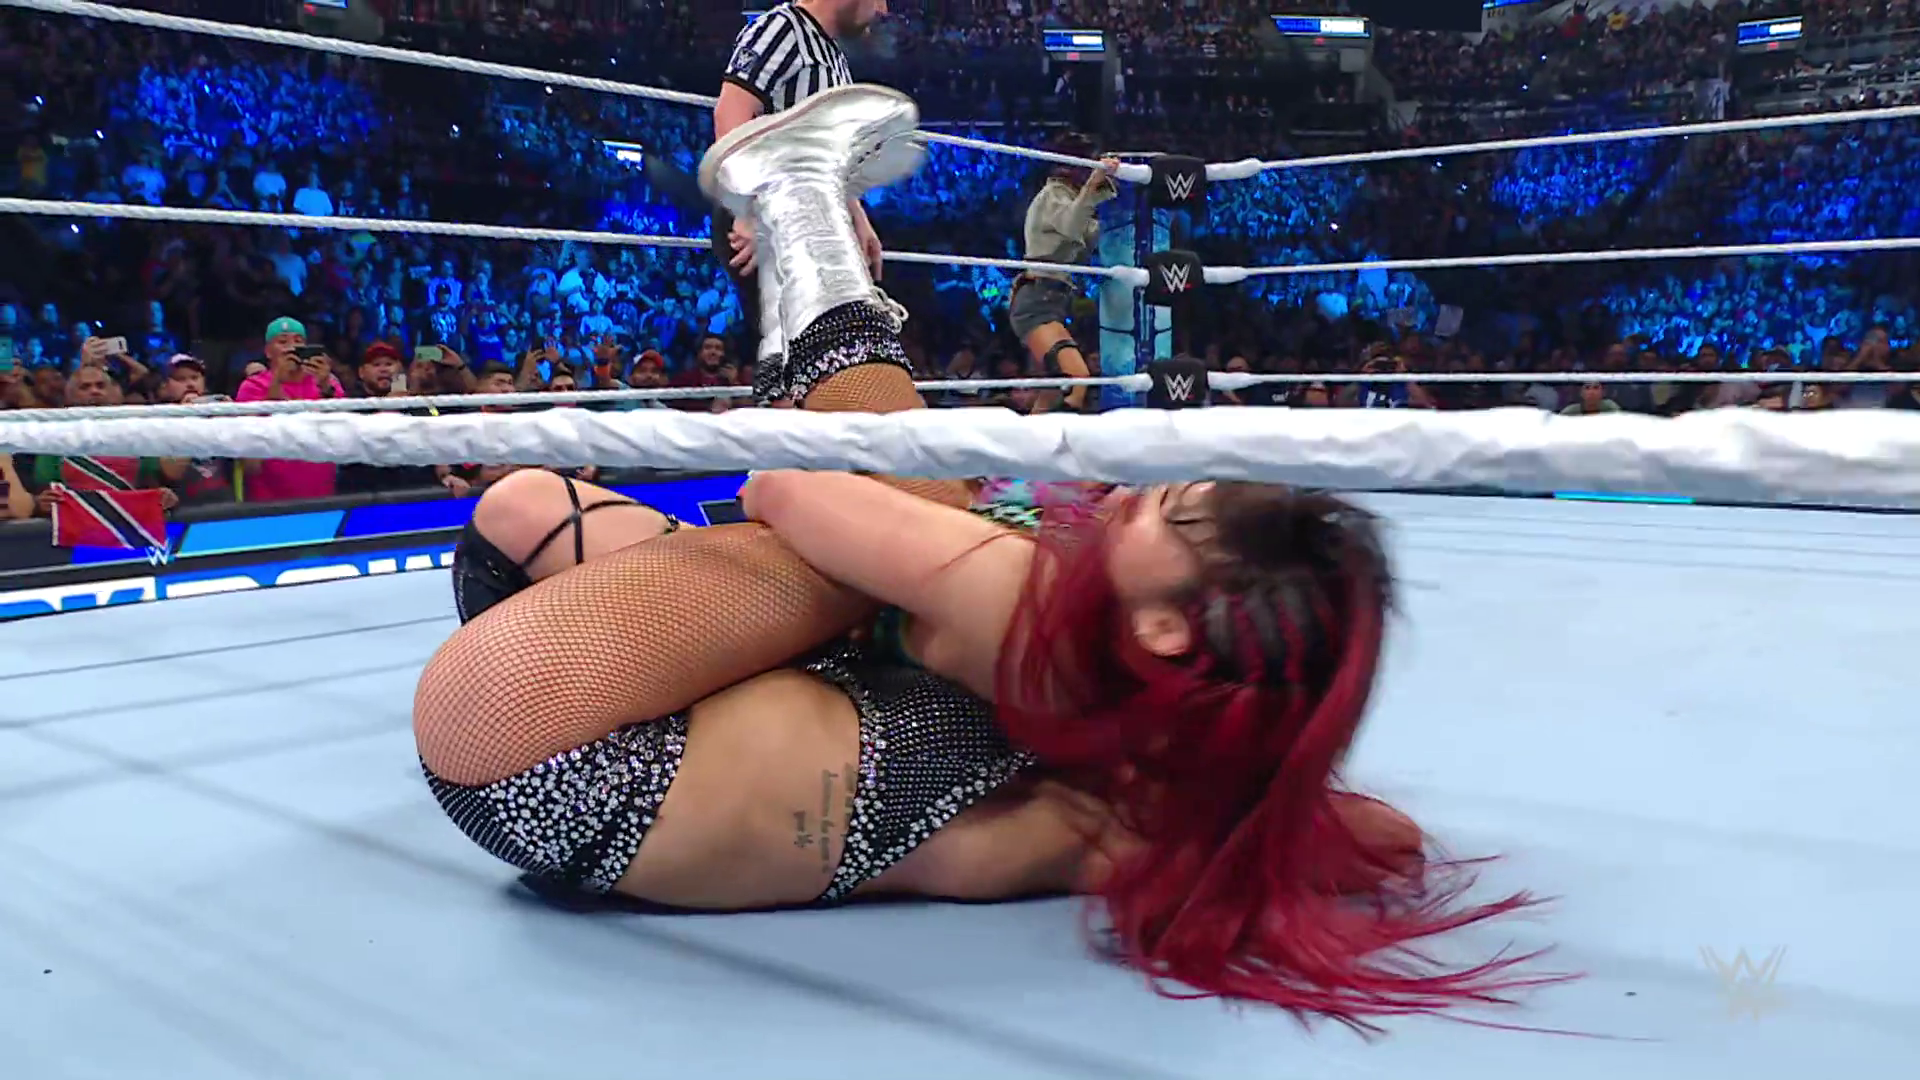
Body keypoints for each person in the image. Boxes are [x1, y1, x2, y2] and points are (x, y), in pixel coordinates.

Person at [414, 86, 1541, 1028]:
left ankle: (798, 204)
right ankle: (808, 234)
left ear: (1167, 628)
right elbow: (1385, 836)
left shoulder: (1024, 599)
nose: (1129, 500)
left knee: (922, 489)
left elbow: (781, 486)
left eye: (1164, 513)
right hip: (568, 789)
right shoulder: (1157, 786)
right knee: (522, 505)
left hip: (540, 730)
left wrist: (933, 504)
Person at [713, 0, 889, 401]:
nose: (883, 9)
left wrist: (859, 220)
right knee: (793, 366)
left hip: (812, 223)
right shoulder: (782, 29)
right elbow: (730, 115)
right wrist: (747, 209)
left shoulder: (834, 58)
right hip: (767, 216)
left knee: (826, 362)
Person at [1009, 134, 1118, 413]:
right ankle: (1066, 438)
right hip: (1037, 301)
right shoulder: (1053, 196)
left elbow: (1092, 235)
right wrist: (1093, 186)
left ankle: (1034, 440)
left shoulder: (1072, 199)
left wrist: (1109, 192)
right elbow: (1071, 226)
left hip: (1053, 300)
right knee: (1076, 379)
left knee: (1051, 391)